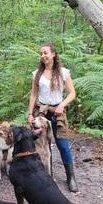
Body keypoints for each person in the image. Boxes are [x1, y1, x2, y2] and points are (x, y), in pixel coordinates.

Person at [27, 42, 78, 192]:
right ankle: (47, 177)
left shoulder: (63, 72)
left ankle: (71, 177)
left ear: (53, 54)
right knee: (43, 145)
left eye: (45, 53)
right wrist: (30, 114)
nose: (43, 56)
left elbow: (72, 93)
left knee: (62, 145)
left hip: (58, 113)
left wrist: (62, 105)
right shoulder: (37, 74)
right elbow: (33, 94)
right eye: (41, 54)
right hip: (42, 112)